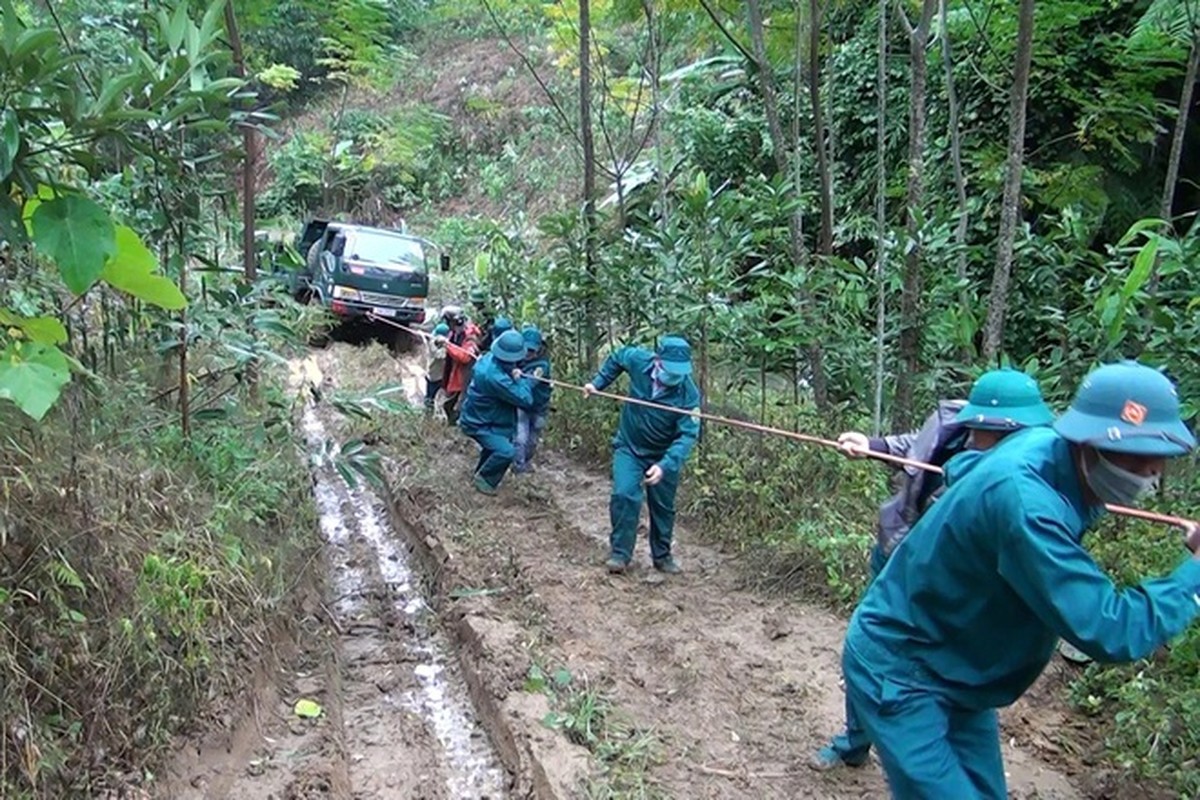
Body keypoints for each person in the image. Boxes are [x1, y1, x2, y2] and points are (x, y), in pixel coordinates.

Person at [839, 360, 1198, 799]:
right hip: (902, 669)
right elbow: (1109, 629)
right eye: (1139, 458)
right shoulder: (1028, 505)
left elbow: (964, 467)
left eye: (1159, 459)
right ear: (1091, 443)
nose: (1151, 473)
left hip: (959, 669)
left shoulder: (1043, 448)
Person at [812, 368, 1055, 772]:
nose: (984, 438)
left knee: (942, 670)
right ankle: (854, 742)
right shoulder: (950, 421)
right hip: (896, 553)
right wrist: (871, 444)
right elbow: (918, 447)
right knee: (869, 646)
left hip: (949, 584)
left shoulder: (1024, 475)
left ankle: (935, 759)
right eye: (982, 429)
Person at [583, 336, 700, 575]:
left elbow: (687, 436)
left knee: (663, 507)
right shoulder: (638, 360)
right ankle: (620, 554)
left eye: (680, 372)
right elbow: (617, 357)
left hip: (663, 456)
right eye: (670, 370)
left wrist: (665, 465)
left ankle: (662, 556)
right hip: (630, 447)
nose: (675, 376)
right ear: (657, 361)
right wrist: (598, 383)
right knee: (624, 494)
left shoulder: (688, 394)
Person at [458, 330, 536, 495]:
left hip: (483, 417)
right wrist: (520, 379)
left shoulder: (487, 360)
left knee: (495, 446)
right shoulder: (496, 378)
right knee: (506, 451)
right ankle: (485, 480)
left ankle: (479, 473)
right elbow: (526, 399)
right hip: (479, 423)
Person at [513, 325, 552, 474]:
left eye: (532, 350)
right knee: (520, 439)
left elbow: (530, 383)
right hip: (522, 406)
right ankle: (519, 469)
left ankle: (526, 462)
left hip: (540, 407)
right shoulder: (515, 359)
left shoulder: (542, 365)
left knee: (532, 441)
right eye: (526, 349)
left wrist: (519, 376)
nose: (529, 353)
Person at [440, 305, 480, 427]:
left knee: (459, 407)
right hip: (454, 374)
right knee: (448, 405)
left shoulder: (470, 336)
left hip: (465, 378)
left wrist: (447, 345)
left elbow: (465, 357)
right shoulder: (454, 333)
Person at [423, 321, 450, 415]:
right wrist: (446, 346)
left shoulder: (433, 342)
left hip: (433, 374)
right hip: (435, 376)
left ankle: (429, 409)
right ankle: (428, 412)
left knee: (431, 395)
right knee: (432, 396)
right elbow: (440, 356)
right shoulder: (433, 345)